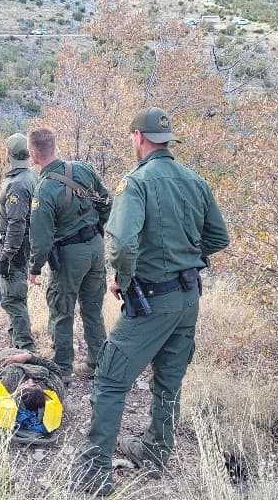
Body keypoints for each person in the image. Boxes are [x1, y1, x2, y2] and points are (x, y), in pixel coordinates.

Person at [72, 107, 230, 496]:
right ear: (166, 140)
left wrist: (122, 280)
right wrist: (185, 260)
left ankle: (95, 471)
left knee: (110, 378)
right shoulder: (195, 181)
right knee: (169, 380)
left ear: (138, 138)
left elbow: (123, 241)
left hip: (153, 298)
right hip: (188, 296)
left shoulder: (136, 183)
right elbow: (218, 238)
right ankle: (157, 454)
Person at [26, 128, 110, 384]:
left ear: (33, 154)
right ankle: (99, 363)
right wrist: (98, 231)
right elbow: (106, 202)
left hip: (70, 255)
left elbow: (40, 239)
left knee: (62, 310)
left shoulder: (44, 190)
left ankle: (63, 369)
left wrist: (34, 268)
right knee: (93, 309)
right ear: (54, 146)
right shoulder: (82, 168)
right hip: (96, 248)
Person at [0, 346, 66, 444]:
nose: (30, 380)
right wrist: (28, 357)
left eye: (26, 384)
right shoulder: (53, 387)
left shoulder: (4, 389)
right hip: (20, 353)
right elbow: (55, 369)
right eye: (34, 384)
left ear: (15, 394)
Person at [0, 133, 38, 351]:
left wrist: (7, 255)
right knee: (15, 295)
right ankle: (17, 341)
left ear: (8, 154)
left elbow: (17, 223)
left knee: (12, 299)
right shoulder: (29, 176)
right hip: (22, 243)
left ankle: (25, 347)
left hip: (17, 247)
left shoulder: (19, 184)